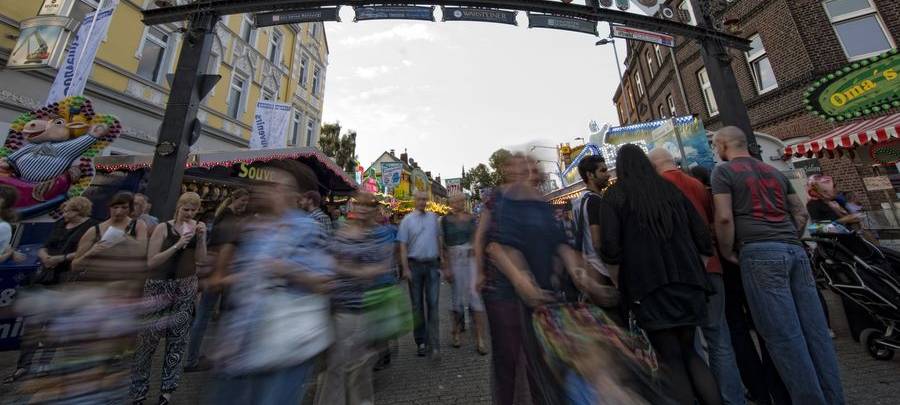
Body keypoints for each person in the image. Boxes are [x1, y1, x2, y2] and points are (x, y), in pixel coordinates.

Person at [711, 126, 844, 405]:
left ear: (723, 145)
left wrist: (728, 250)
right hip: (794, 251)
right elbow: (800, 212)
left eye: (715, 146)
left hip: (758, 253)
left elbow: (723, 217)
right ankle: (834, 397)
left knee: (784, 337)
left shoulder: (723, 173)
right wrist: (789, 238)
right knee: (815, 331)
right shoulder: (773, 172)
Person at [481, 154, 608, 405]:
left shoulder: (542, 205)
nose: (532, 175)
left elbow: (560, 244)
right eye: (526, 170)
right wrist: (521, 280)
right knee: (514, 362)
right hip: (512, 297)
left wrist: (583, 277)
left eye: (535, 170)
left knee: (546, 364)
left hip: (546, 296)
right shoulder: (505, 202)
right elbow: (498, 247)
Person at [599, 144, 720, 405]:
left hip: (648, 286)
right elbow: (702, 236)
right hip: (688, 283)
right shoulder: (670, 190)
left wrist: (620, 281)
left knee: (669, 358)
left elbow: (610, 248)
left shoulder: (615, 196)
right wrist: (694, 267)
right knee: (691, 353)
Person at [207, 160, 333, 405]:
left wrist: (285, 269)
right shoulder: (255, 229)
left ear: (291, 195)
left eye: (274, 186)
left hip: (285, 347)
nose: (265, 190)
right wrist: (221, 279)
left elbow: (325, 281)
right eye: (264, 185)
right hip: (241, 346)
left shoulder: (307, 229)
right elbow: (252, 278)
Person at [649, 148, 744, 405]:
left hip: (682, 273)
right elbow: (714, 221)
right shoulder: (697, 184)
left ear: (654, 165)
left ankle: (703, 394)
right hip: (712, 266)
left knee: (688, 342)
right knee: (719, 337)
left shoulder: (658, 188)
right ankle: (732, 397)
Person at [315, 191, 396, 405]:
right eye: (358, 204)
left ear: (374, 210)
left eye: (367, 205)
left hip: (361, 309)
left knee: (357, 370)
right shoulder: (341, 232)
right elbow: (328, 264)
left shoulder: (376, 237)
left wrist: (350, 270)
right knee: (336, 369)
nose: (361, 208)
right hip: (336, 307)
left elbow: (381, 268)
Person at [131, 192, 207, 404]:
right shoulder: (163, 228)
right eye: (186, 209)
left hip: (185, 287)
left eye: (193, 210)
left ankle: (166, 393)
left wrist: (201, 238)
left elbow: (201, 260)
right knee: (147, 341)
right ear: (178, 207)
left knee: (177, 342)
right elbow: (152, 262)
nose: (189, 214)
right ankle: (139, 392)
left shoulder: (197, 227)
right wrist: (177, 244)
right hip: (159, 287)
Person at [185, 189, 249, 372]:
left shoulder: (223, 215)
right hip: (220, 272)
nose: (244, 205)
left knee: (207, 315)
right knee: (209, 315)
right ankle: (194, 359)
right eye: (243, 201)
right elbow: (225, 247)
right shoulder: (229, 219)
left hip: (217, 271)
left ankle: (195, 356)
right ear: (235, 198)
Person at [398, 191, 445, 358]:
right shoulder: (407, 220)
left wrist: (441, 259)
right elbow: (402, 246)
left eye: (425, 199)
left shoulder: (433, 218)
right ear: (414, 201)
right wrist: (405, 268)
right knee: (417, 306)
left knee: (433, 304)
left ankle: (434, 343)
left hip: (432, 264)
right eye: (419, 199)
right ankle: (421, 342)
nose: (422, 202)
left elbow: (439, 239)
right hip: (415, 265)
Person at [441, 193, 487, 354]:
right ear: (450, 203)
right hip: (454, 260)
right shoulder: (445, 220)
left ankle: (480, 338)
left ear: (463, 202)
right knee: (456, 298)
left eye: (460, 201)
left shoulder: (471, 218)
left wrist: (480, 267)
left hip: (470, 259)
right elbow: (443, 245)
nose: (457, 204)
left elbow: (476, 239)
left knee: (475, 296)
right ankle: (455, 332)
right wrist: (446, 266)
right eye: (454, 201)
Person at [72, 191, 148, 281]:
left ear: (130, 209)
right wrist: (91, 252)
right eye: (115, 207)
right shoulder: (95, 230)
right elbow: (75, 266)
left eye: (124, 208)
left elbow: (142, 253)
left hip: (122, 282)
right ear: (109, 207)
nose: (118, 212)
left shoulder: (138, 225)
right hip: (95, 280)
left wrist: (126, 239)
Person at [573, 154, 613, 284]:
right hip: (602, 270)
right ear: (590, 175)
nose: (608, 174)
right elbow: (597, 242)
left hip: (588, 269)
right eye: (602, 170)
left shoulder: (579, 201)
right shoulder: (595, 201)